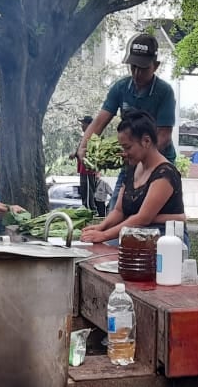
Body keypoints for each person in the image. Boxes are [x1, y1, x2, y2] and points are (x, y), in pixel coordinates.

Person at [78, 34, 177, 218]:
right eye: (133, 67)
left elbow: (164, 135)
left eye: (143, 68)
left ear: (155, 66)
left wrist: (141, 155)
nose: (137, 73)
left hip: (159, 165)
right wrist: (83, 146)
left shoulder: (165, 92)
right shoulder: (121, 88)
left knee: (150, 217)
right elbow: (100, 121)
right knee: (117, 211)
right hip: (130, 164)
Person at [80, 111, 187, 244]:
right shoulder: (132, 168)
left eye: (127, 147)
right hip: (134, 231)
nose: (124, 153)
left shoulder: (165, 173)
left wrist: (104, 235)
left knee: (109, 249)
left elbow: (143, 219)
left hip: (164, 239)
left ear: (146, 141)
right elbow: (119, 210)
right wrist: (101, 227)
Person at [75, 115, 101, 211]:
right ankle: (87, 210)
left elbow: (91, 153)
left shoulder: (92, 138)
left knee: (88, 195)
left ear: (89, 125)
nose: (82, 126)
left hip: (87, 171)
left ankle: (90, 212)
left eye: (83, 123)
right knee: (84, 193)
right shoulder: (85, 137)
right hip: (83, 171)